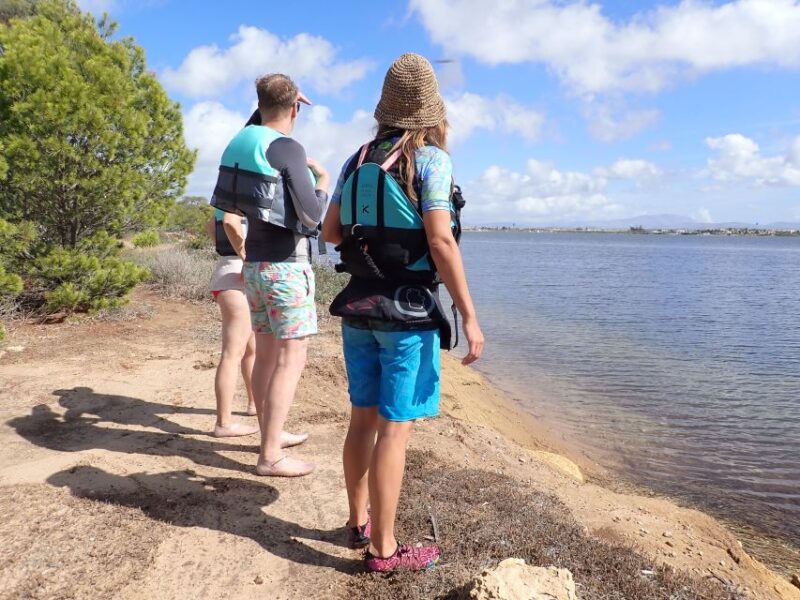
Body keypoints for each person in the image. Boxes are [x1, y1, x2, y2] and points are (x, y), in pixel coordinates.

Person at [321, 53, 484, 573]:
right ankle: (384, 551)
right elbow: (440, 240)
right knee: (394, 430)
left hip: (358, 306)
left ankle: (358, 522)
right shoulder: (432, 161)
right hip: (408, 317)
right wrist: (469, 316)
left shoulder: (357, 159)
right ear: (433, 113)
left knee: (361, 420)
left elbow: (330, 233)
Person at [211, 73, 329, 477]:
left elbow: (257, 125)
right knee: (291, 358)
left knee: (264, 355)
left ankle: (270, 439)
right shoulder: (287, 148)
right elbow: (311, 216)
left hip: (254, 268)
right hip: (286, 268)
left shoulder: (241, 142)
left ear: (259, 104)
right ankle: (271, 456)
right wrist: (323, 183)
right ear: (296, 108)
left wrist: (277, 98)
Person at [206, 208, 259, 437]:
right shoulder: (237, 203)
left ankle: (253, 404)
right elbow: (229, 222)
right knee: (232, 354)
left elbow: (211, 226)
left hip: (227, 272)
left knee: (251, 349)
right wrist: (246, 257)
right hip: (236, 278)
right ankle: (223, 424)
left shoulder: (224, 202)